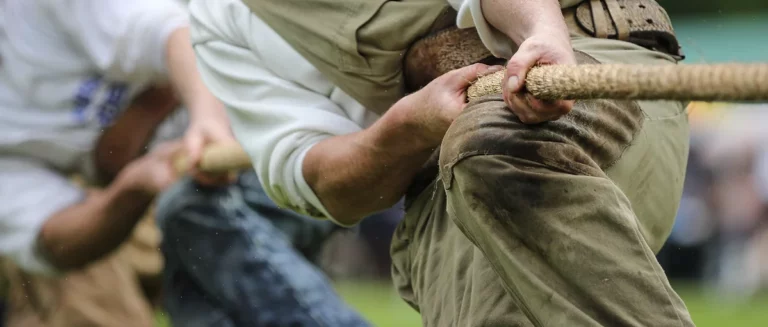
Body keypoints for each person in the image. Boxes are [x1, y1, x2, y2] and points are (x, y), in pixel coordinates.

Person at [189, 0, 696, 326]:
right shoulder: (218, 18)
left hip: (595, 70)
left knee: (491, 141)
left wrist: (543, 32)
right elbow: (318, 180)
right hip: (442, 176)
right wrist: (410, 125)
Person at [0, 0, 368, 326]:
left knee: (191, 213)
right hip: (225, 183)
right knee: (197, 305)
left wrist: (207, 120)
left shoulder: (36, 10)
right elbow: (50, 238)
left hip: (294, 102)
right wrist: (132, 188)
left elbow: (174, 34)